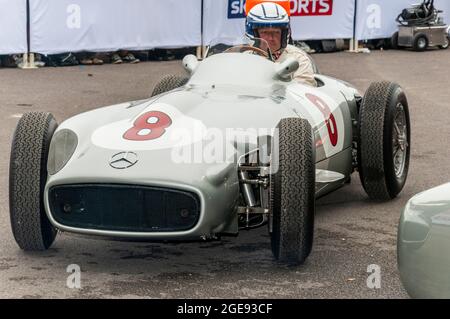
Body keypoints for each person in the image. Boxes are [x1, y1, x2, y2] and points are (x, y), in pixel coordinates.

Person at [245, 2, 317, 87]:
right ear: (253, 34)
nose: (271, 38)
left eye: (276, 32)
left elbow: (303, 90)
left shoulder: (298, 58)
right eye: (265, 32)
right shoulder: (244, 58)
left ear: (284, 34)